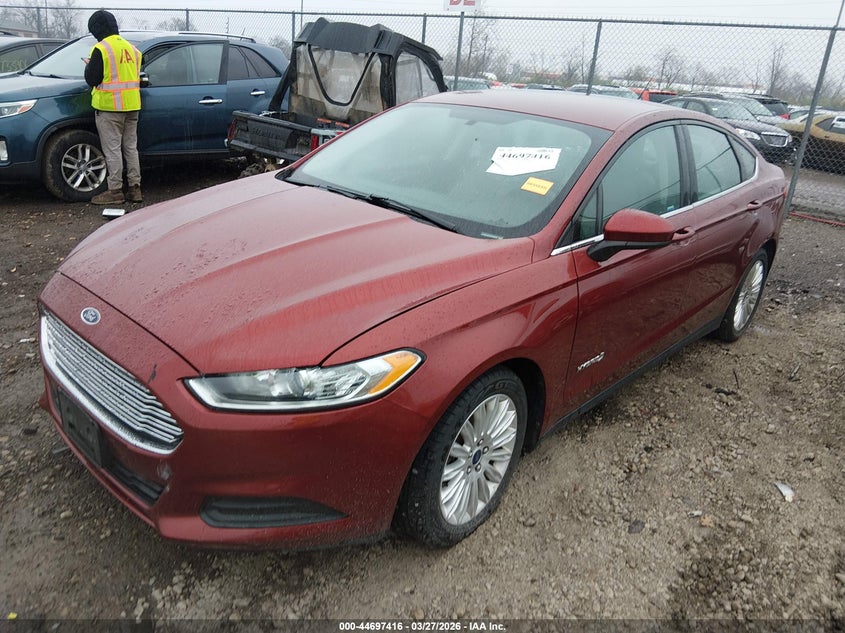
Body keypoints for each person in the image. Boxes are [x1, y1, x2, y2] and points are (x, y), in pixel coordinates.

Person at [84, 9, 143, 205]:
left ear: (96, 29)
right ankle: (135, 189)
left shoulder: (101, 49)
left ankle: (115, 191)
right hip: (132, 107)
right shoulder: (133, 49)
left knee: (113, 151)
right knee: (130, 148)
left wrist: (89, 65)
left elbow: (92, 78)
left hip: (109, 108)